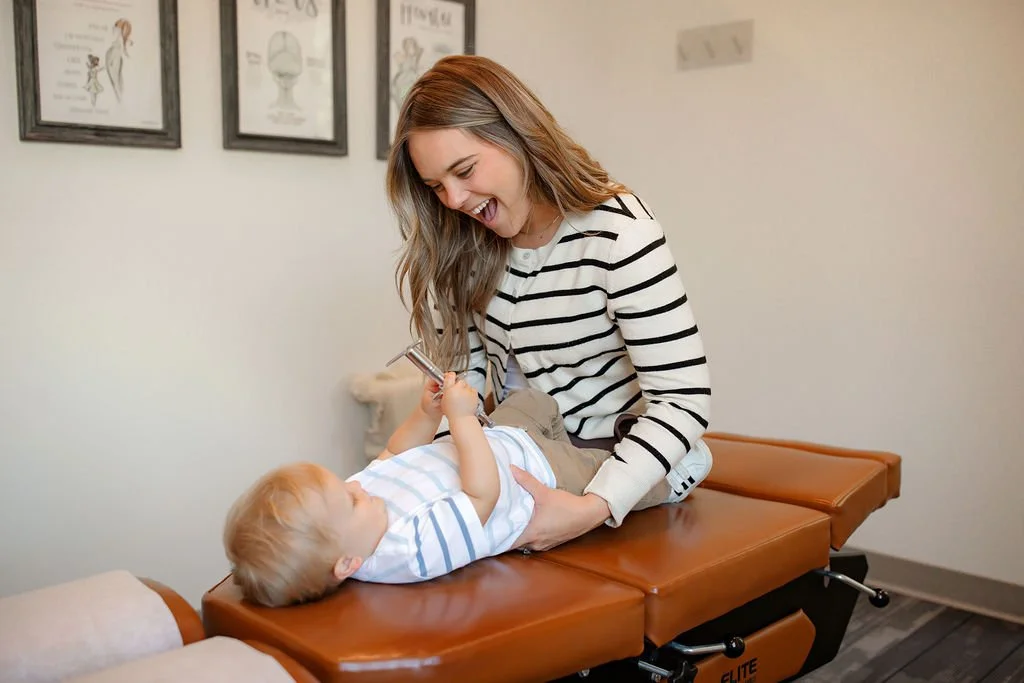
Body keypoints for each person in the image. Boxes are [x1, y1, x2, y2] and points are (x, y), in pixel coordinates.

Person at [384, 54, 713, 552]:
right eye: (435, 186)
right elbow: (467, 382)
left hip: (612, 455)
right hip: (523, 436)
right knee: (412, 487)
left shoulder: (619, 235)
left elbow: (682, 398)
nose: (452, 199)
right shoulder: (468, 244)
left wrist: (592, 507)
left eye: (465, 170)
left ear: (516, 134)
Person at [222, 373, 703, 607]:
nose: (357, 488)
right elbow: (482, 496)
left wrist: (426, 416)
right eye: (348, 498)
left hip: (501, 439)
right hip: (535, 474)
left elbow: (393, 454)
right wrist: (459, 418)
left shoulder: (352, 513)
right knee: (612, 470)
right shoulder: (408, 549)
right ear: (347, 564)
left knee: (532, 400)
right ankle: (674, 479)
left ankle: (556, 427)